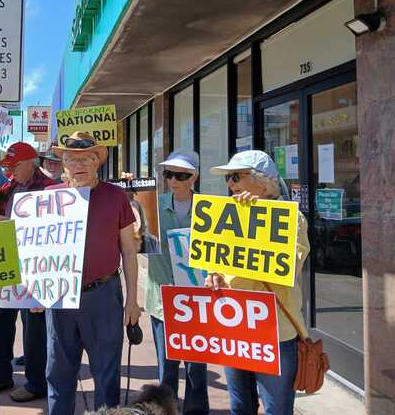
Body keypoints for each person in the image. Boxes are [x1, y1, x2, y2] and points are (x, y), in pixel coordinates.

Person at [205, 150, 310, 415]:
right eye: (227, 178)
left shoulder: (292, 219)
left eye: (236, 176)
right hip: (235, 327)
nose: (230, 184)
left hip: (274, 333)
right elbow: (218, 261)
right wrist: (213, 275)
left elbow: (287, 268)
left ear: (263, 182)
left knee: (276, 409)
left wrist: (258, 217)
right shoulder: (228, 215)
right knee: (240, 407)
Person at [46, 131, 141, 414]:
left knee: (107, 372)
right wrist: (35, 291)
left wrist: (132, 300)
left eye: (86, 158)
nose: (79, 165)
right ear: (63, 164)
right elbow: (34, 250)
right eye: (72, 159)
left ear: (97, 162)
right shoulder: (49, 197)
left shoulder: (116, 196)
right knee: (59, 372)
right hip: (59, 295)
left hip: (104, 296)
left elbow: (129, 250)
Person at [0, 142, 53, 402]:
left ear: (30, 162)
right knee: (0, 319)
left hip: (34, 266)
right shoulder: (11, 186)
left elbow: (37, 228)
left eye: (14, 166)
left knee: (34, 326)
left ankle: (36, 382)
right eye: (7, 166)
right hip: (5, 260)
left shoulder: (49, 188)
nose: (10, 171)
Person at [144, 150, 209, 415]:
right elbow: (129, 226)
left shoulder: (210, 209)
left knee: (196, 366)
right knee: (167, 365)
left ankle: (196, 411)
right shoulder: (152, 205)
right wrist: (130, 191)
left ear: (194, 177)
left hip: (198, 301)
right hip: (163, 298)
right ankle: (165, 410)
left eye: (181, 175)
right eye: (168, 174)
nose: (173, 180)